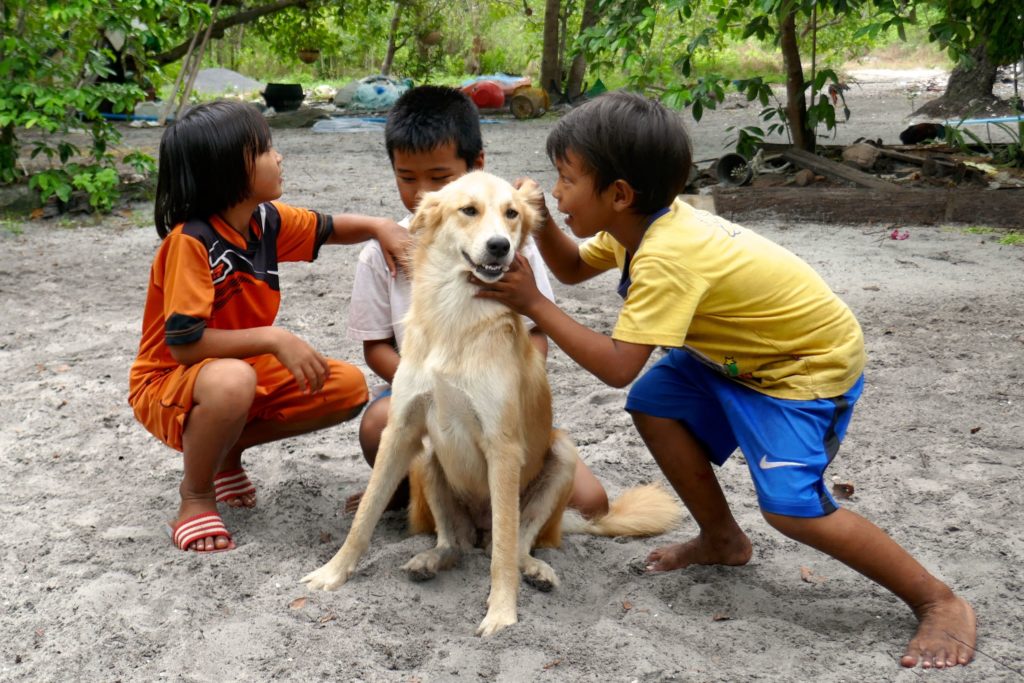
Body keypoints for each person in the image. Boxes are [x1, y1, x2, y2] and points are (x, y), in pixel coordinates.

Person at [473, 91, 976, 670]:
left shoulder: (667, 255)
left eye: (565, 180)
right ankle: (722, 539)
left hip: (801, 369)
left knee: (792, 509)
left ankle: (938, 600)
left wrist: (536, 304)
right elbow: (573, 266)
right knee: (655, 401)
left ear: (617, 195)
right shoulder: (640, 223)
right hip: (737, 357)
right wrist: (531, 225)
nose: (556, 192)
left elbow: (616, 365)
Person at [129, 100, 411, 553]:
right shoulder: (190, 242)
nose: (278, 157)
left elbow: (330, 228)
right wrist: (275, 338)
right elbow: (184, 345)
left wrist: (381, 227)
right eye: (265, 149)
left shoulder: (265, 221)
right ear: (227, 171)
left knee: (345, 387)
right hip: (169, 385)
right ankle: (196, 496)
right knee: (232, 381)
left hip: (233, 373)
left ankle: (224, 456)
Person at [344, 84, 609, 518]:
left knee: (592, 504)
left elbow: (536, 335)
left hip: (494, 398)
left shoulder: (506, 242)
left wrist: (504, 399)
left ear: (477, 165)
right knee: (379, 425)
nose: (420, 192)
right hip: (423, 393)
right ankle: (406, 489)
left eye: (440, 177)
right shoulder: (381, 251)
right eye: (406, 177)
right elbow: (375, 348)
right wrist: (434, 392)